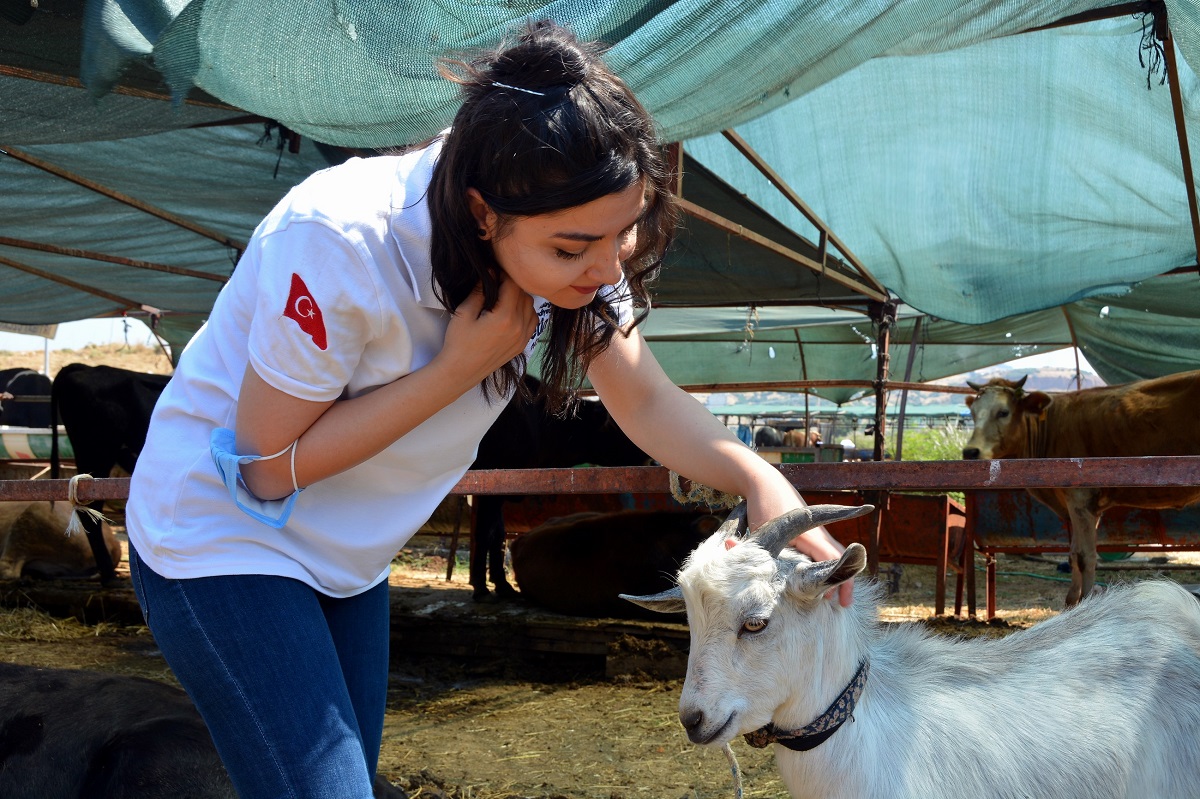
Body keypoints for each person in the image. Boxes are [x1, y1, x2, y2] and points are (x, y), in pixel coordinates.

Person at [124, 20, 850, 799]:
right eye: (573, 248)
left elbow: (643, 396)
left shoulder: (568, 236)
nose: (607, 267)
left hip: (350, 556)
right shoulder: (337, 242)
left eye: (624, 230)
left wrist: (757, 477)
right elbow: (262, 470)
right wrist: (458, 368)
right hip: (222, 536)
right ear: (481, 212)